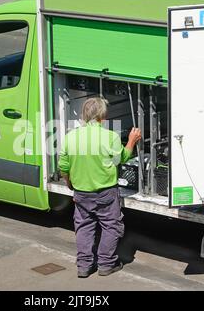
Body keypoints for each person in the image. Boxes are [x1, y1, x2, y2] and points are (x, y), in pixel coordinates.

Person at [58, 97, 141, 278]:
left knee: (84, 227)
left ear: (84, 115)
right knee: (111, 226)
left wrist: (71, 186)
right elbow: (122, 158)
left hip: (81, 192)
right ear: (103, 116)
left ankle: (84, 266)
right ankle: (106, 264)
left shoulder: (70, 137)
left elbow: (63, 167)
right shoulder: (110, 137)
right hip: (106, 193)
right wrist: (132, 141)